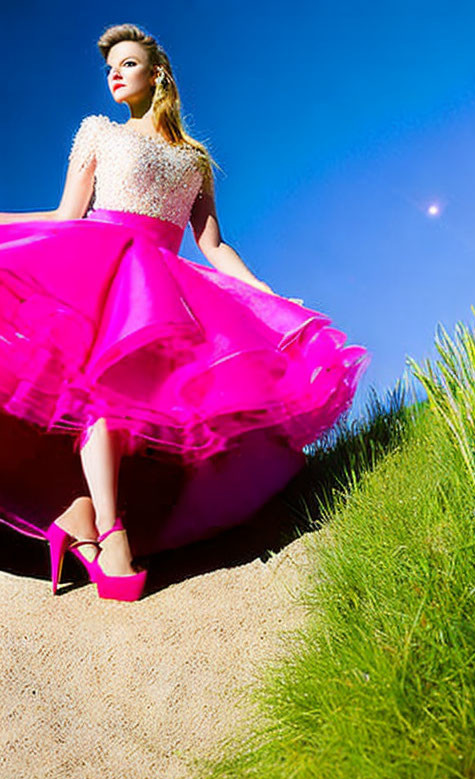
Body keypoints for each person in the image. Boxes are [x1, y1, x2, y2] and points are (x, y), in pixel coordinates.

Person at [0, 24, 367, 601]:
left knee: (150, 407)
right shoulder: (98, 132)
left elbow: (213, 245)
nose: (114, 73)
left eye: (126, 62)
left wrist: (266, 292)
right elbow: (67, 213)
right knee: (102, 392)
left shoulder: (192, 160)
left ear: (158, 74)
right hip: (101, 267)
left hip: (164, 288)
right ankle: (110, 529)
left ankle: (79, 516)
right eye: (109, 67)